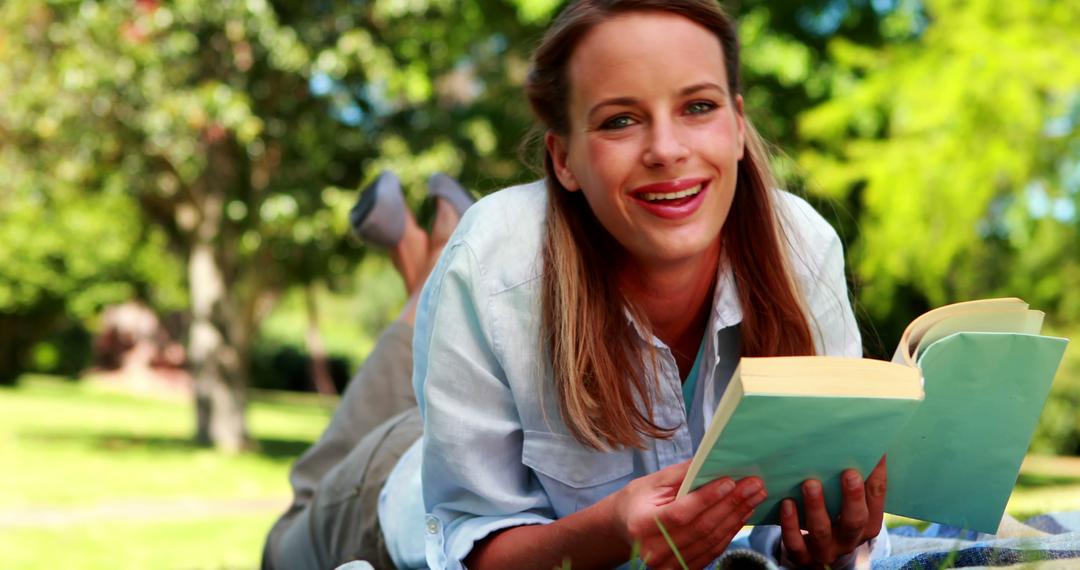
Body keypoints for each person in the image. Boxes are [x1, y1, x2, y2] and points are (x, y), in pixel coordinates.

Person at [266, 1, 885, 568]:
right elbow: (471, 543)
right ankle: (424, 282)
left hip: (483, 377)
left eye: (698, 106)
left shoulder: (801, 247)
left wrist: (824, 540)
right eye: (620, 120)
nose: (667, 150)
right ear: (563, 158)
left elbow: (799, 518)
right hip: (391, 497)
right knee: (285, 544)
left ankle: (423, 272)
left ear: (737, 120)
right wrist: (613, 531)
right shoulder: (494, 265)